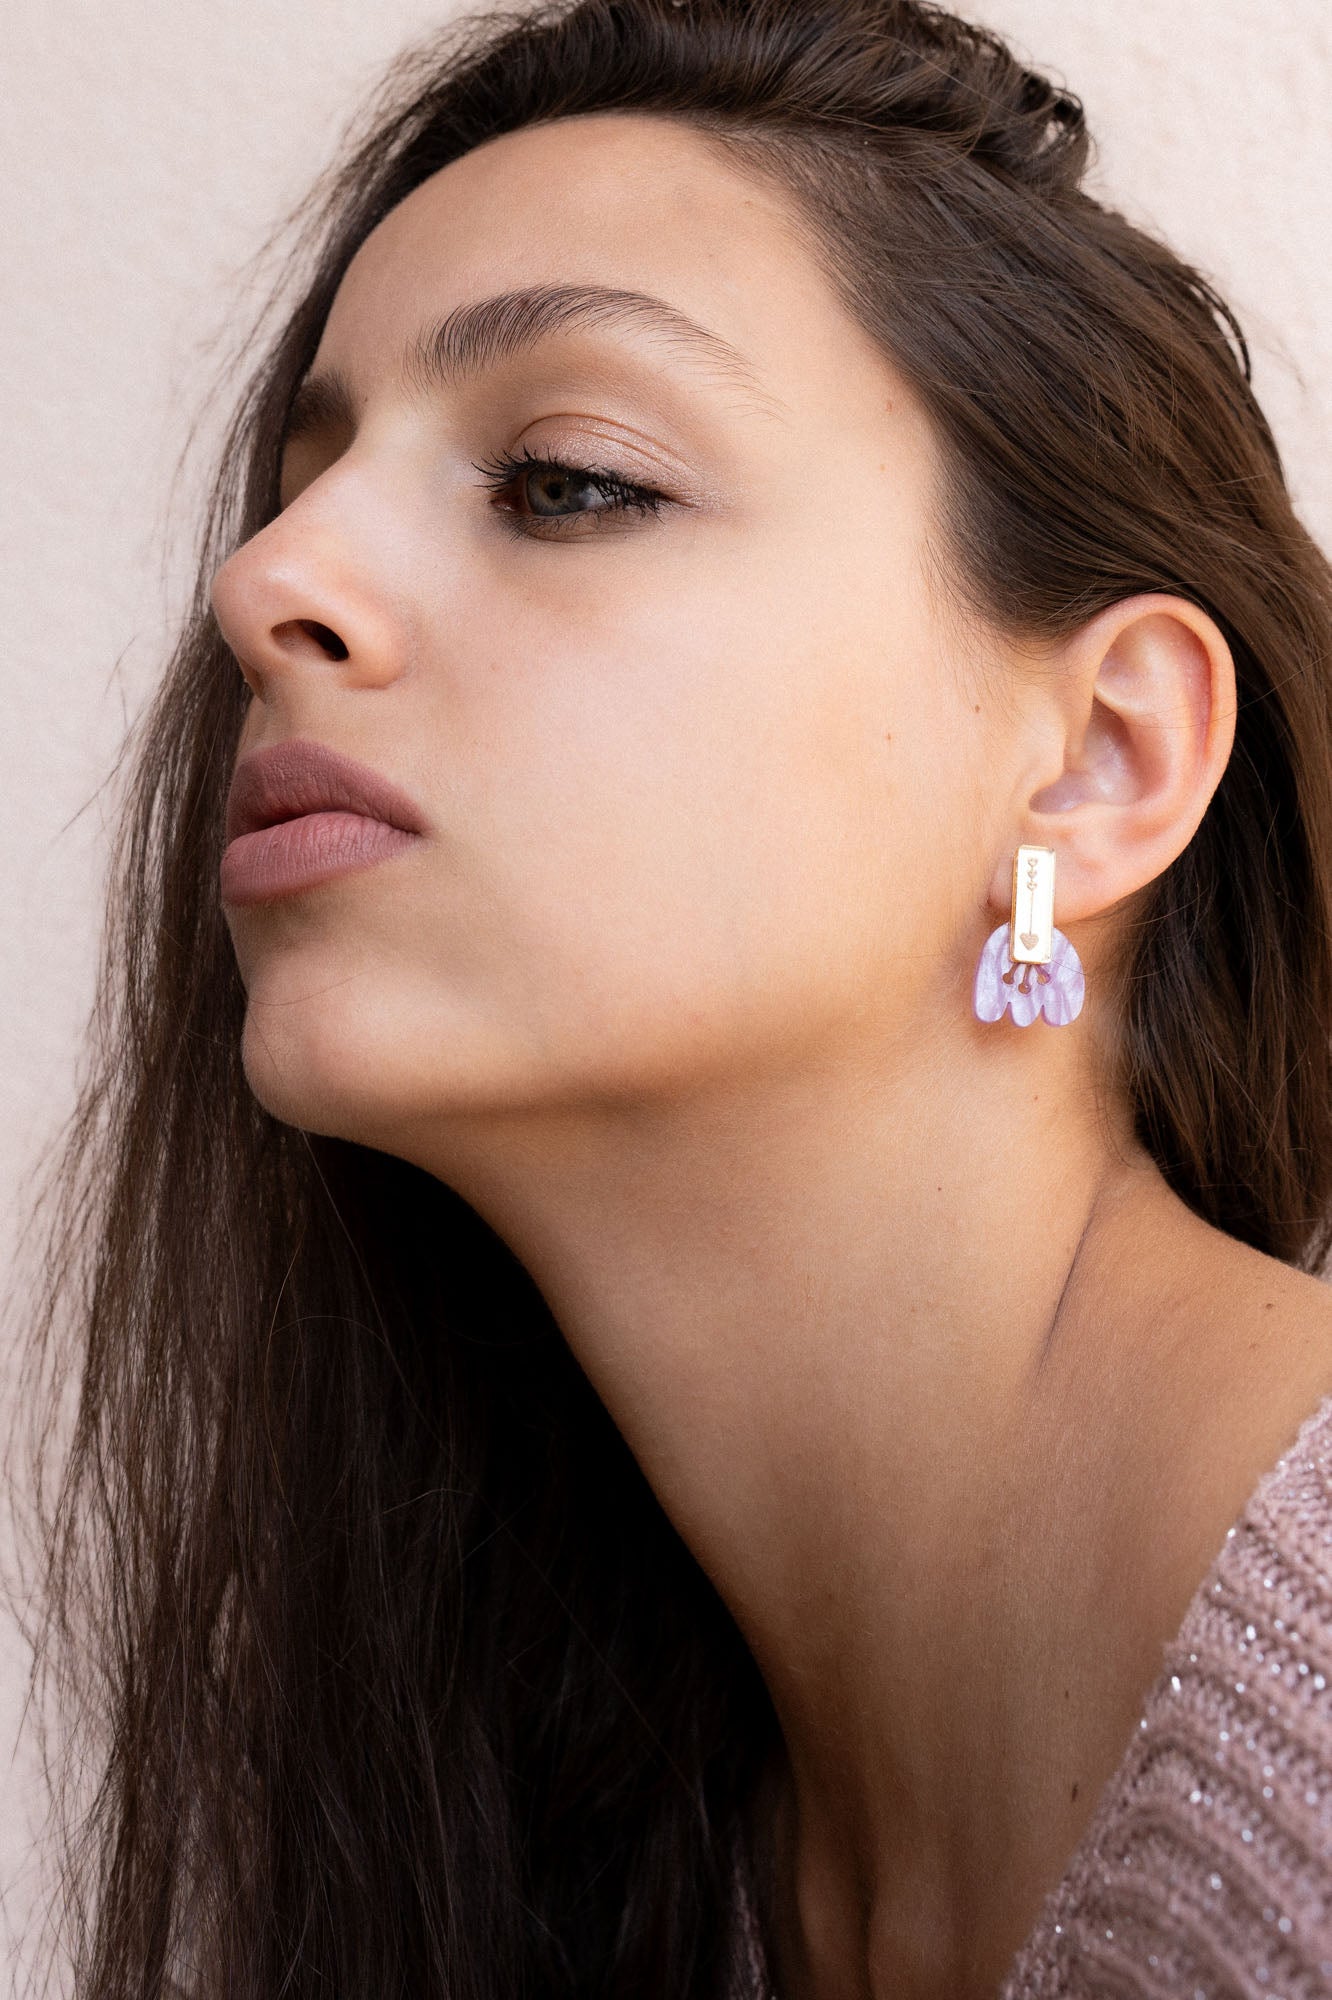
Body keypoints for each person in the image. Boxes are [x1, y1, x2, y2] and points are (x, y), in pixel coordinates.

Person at [19, 0, 1332, 1994]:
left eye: (563, 477)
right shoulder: (563, 1810)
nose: (267, 581)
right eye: (304, 476)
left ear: (1101, 759)